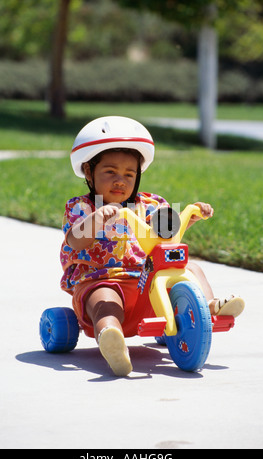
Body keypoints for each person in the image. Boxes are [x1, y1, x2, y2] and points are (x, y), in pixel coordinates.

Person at [60, 116, 244, 376]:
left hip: (146, 281)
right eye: (110, 172)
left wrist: (189, 217)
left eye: (129, 174)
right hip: (102, 281)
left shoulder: (150, 204)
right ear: (89, 172)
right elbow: (74, 240)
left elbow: (165, 235)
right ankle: (111, 338)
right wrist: (95, 220)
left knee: (190, 268)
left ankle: (210, 305)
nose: (120, 181)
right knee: (105, 301)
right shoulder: (82, 207)